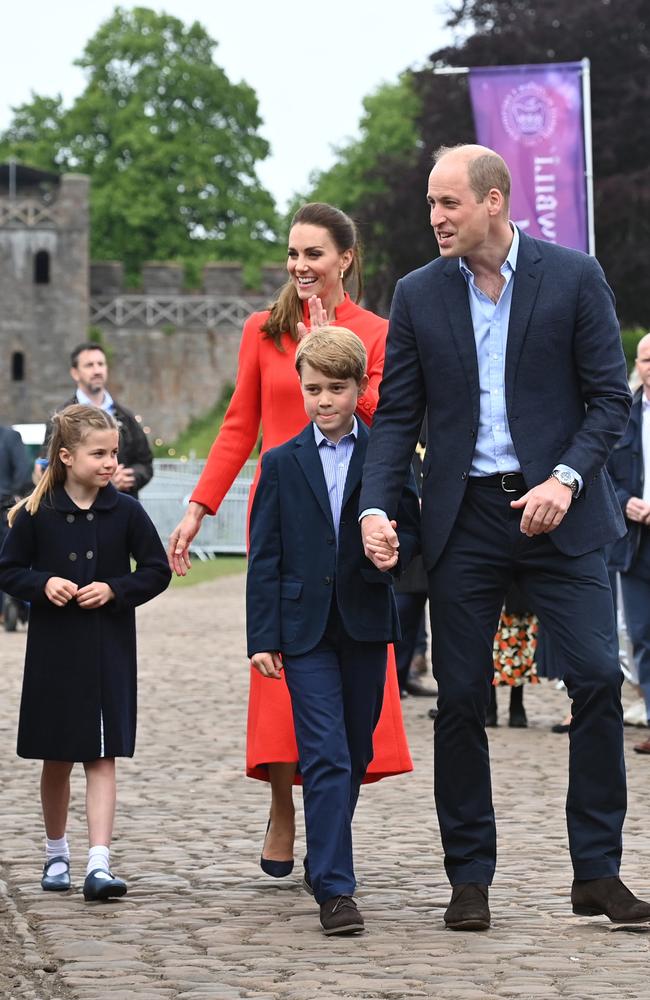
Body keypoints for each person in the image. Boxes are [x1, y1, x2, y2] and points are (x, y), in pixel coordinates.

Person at [359, 143, 650, 930]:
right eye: (429, 204)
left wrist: (567, 477)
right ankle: (470, 879)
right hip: (466, 518)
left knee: (594, 679)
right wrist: (376, 508)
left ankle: (597, 872)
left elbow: (607, 402)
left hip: (563, 513)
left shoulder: (574, 275)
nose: (435, 218)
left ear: (494, 201)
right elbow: (395, 418)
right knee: (460, 698)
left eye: (449, 203)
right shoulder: (418, 295)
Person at [167, 203, 413, 877]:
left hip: (355, 523)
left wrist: (337, 353)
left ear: (345, 259)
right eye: (293, 254)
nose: (301, 267)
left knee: (350, 702)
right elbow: (237, 427)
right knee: (279, 678)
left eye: (314, 254)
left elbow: (385, 424)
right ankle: (282, 803)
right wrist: (197, 507)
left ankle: (330, 832)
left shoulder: (378, 333)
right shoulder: (263, 331)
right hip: (282, 519)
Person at [247, 327, 419, 934]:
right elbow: (264, 555)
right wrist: (261, 636)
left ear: (358, 389)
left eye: (337, 389)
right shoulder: (281, 462)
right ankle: (337, 891)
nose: (324, 400)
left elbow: (413, 528)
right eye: (314, 388)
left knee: (356, 748)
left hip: (367, 620)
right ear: (301, 388)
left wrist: (396, 550)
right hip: (303, 629)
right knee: (322, 752)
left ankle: (323, 857)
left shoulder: (387, 456)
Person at [0, 405, 171, 900]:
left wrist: (115, 590)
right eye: (99, 453)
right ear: (67, 455)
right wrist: (43, 583)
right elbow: (8, 569)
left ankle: (99, 862)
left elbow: (155, 570)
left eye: (113, 453)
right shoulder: (37, 512)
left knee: (102, 756)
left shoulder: (127, 511)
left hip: (107, 650)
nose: (109, 462)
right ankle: (57, 853)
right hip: (54, 653)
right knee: (56, 759)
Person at [607, 332, 650, 754]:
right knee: (641, 632)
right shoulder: (624, 415)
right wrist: (625, 503)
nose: (649, 366)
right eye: (644, 359)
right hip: (635, 540)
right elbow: (605, 472)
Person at [44, 343, 153, 497]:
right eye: (89, 365)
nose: (97, 370)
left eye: (100, 364)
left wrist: (130, 476)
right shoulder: (61, 418)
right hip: (75, 508)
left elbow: (145, 462)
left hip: (119, 507)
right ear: (75, 373)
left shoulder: (126, 417)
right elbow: (50, 464)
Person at [488, 584, 538, 728]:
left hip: (520, 589)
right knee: (488, 648)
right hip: (488, 581)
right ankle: (488, 706)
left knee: (519, 647)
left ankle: (516, 705)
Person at [0, 423, 31, 619]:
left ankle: (10, 609)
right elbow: (23, 471)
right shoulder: (10, 436)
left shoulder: (10, 437)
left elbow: (23, 471)